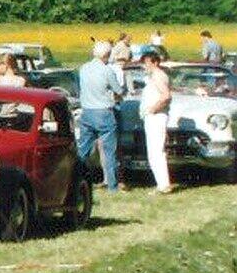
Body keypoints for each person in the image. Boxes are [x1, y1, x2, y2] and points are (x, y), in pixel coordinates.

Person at [74, 40, 126, 191]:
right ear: (107, 55)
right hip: (104, 112)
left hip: (87, 112)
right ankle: (112, 185)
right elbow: (118, 90)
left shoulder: (83, 69)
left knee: (83, 150)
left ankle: (75, 179)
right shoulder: (107, 71)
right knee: (109, 151)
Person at [138, 52, 174, 193]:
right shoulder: (154, 76)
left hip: (156, 116)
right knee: (154, 151)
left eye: (147, 63)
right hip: (154, 116)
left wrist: (152, 109)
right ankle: (162, 184)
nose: (145, 66)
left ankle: (164, 185)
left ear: (155, 63)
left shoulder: (158, 76)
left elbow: (166, 96)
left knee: (156, 151)